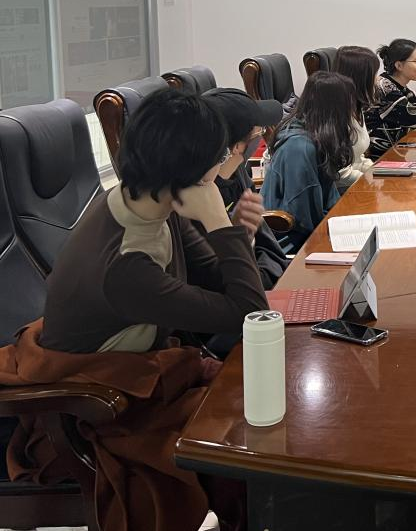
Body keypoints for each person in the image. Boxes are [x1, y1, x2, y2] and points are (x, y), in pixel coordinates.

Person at [40, 88, 268, 354]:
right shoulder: (126, 266)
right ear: (195, 172)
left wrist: (232, 232)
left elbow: (214, 279)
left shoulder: (148, 201)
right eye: (220, 158)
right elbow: (253, 316)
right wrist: (218, 222)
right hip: (105, 377)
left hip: (144, 358)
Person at [201, 87, 290, 290]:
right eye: (260, 131)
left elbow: (270, 249)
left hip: (264, 282)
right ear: (237, 147)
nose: (263, 136)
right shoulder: (197, 201)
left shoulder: (239, 172)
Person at [261, 71, 357, 252]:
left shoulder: (312, 137)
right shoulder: (300, 149)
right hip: (293, 244)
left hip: (313, 231)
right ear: (335, 109)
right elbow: (304, 219)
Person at [366, 38, 416, 158]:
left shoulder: (401, 88)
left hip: (395, 151)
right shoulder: (385, 88)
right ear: (399, 65)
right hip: (378, 158)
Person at [332, 44, 379, 189]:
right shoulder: (336, 114)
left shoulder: (355, 107)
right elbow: (340, 174)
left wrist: (377, 172)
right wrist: (371, 180)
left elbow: (358, 159)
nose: (377, 80)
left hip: (357, 184)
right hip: (341, 193)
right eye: (374, 74)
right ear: (361, 79)